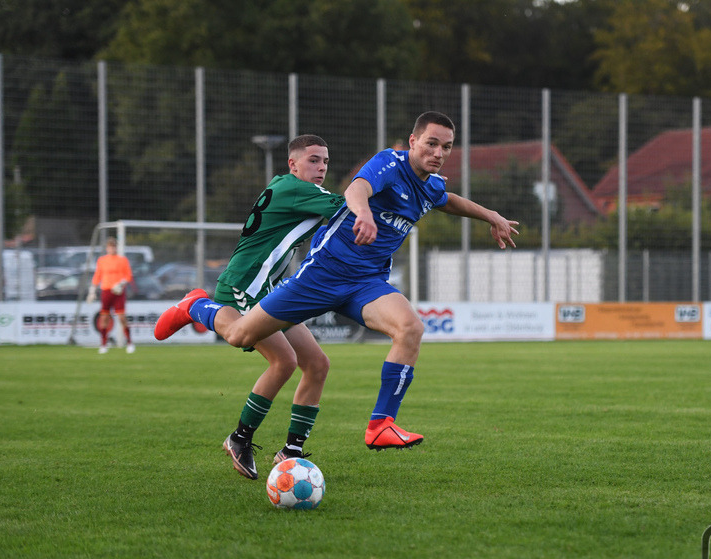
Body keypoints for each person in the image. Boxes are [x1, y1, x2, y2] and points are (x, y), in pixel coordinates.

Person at [155, 111, 518, 451]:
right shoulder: (389, 163)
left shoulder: (430, 186)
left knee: (410, 329)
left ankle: (379, 426)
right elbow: (356, 188)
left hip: (367, 283)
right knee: (239, 335)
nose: (439, 152)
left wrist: (491, 216)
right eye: (431, 143)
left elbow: (448, 200)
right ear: (412, 141)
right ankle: (196, 305)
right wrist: (364, 214)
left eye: (447, 147)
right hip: (321, 277)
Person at [161, 134, 344, 481]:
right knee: (283, 360)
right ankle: (197, 307)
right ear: (292, 164)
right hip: (244, 284)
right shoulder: (299, 190)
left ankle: (290, 451)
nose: (320, 167)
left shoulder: (289, 187)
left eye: (325, 161)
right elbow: (348, 209)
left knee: (317, 364)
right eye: (313, 160)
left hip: (268, 288)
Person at [88, 237, 134, 354]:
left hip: (118, 292)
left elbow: (128, 276)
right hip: (106, 291)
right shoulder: (102, 260)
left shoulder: (123, 260)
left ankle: (129, 342)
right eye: (110, 247)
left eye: (114, 246)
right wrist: (92, 290)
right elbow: (97, 275)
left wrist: (121, 283)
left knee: (121, 317)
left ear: (116, 248)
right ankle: (103, 344)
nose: (112, 249)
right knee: (104, 317)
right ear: (107, 248)